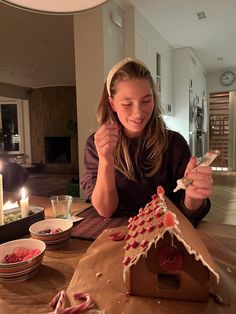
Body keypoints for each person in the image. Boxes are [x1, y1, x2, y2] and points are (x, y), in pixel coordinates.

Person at [81, 57, 212, 225]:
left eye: (146, 101)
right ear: (112, 104)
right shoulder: (96, 144)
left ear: (154, 99)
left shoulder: (174, 143)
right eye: (127, 104)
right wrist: (106, 160)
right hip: (117, 232)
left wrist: (193, 196)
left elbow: (189, 210)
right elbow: (106, 210)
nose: (138, 113)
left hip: (165, 232)